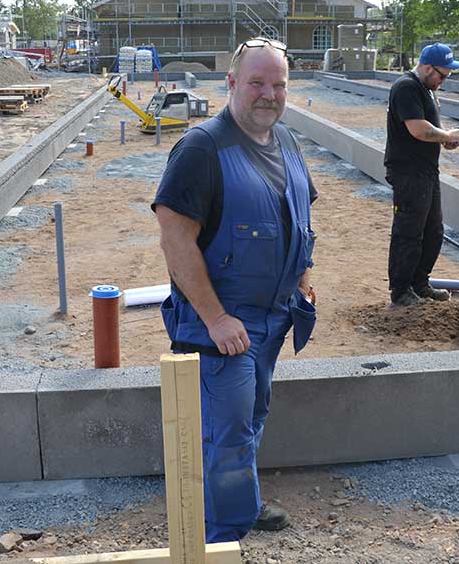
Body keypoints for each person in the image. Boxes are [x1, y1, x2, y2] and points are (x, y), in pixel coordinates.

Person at [152, 37, 317, 543]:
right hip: (224, 325)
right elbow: (175, 239)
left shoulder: (286, 141)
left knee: (252, 416)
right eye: (257, 83)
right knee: (226, 431)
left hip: (273, 318)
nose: (269, 94)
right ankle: (221, 537)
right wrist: (216, 318)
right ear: (230, 84)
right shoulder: (202, 148)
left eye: (279, 85)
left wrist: (304, 283)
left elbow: (300, 219)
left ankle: (241, 505)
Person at [384, 42, 459, 307]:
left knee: (433, 231)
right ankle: (401, 290)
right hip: (408, 172)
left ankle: (420, 283)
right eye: (442, 74)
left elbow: (427, 129)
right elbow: (418, 129)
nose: (444, 80)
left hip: (426, 171)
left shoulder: (426, 89)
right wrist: (446, 136)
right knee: (409, 232)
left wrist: (443, 139)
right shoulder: (406, 87)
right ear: (428, 67)